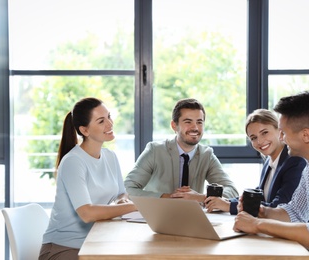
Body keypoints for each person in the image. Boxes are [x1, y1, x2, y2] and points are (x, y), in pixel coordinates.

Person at [233, 91, 309, 259]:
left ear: (306, 135)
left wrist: (258, 224)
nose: (281, 138)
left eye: (283, 132)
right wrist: (262, 212)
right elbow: (295, 212)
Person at [39, 97, 136, 260]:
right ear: (85, 130)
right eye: (101, 121)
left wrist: (123, 201)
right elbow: (87, 213)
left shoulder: (110, 156)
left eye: (109, 117)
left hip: (96, 242)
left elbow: (121, 193)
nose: (110, 124)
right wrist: (133, 207)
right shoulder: (73, 162)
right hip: (64, 248)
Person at [124, 98, 239, 203]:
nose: (195, 127)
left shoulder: (206, 155)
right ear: (174, 125)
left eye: (199, 122)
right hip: (159, 215)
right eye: (188, 122)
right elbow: (128, 188)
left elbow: (232, 191)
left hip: (193, 218)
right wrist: (167, 197)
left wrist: (200, 198)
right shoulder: (155, 151)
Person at [204, 109, 306, 214]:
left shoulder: (295, 162)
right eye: (253, 138)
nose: (260, 141)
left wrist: (230, 206)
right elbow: (259, 197)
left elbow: (280, 207)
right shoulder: (269, 162)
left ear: (279, 130)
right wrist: (227, 201)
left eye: (264, 133)